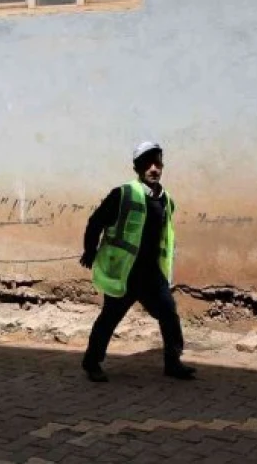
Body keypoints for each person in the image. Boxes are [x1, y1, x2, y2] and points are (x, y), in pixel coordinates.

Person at [78, 141, 197, 382]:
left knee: (168, 313)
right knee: (110, 317)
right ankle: (92, 363)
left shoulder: (166, 200)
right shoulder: (123, 193)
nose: (154, 168)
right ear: (138, 167)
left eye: (158, 163)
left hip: (152, 273)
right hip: (126, 272)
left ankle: (173, 362)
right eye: (148, 163)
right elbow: (96, 221)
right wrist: (90, 250)